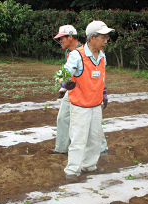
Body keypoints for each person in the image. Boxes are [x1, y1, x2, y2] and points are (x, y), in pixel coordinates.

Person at [57, 21, 114, 182]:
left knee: (94, 139)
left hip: (95, 105)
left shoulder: (102, 56)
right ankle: (72, 171)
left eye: (107, 37)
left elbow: (101, 76)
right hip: (80, 105)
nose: (106, 40)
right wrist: (64, 83)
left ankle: (89, 166)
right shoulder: (77, 55)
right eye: (103, 37)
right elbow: (63, 73)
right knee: (78, 139)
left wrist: (103, 92)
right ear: (92, 37)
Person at [48, 24, 108, 157]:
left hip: (87, 92)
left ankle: (102, 147)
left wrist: (102, 91)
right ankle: (61, 147)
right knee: (63, 118)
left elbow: (99, 73)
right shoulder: (69, 53)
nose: (60, 41)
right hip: (74, 91)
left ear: (70, 37)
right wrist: (63, 86)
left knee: (93, 118)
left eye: (62, 38)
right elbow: (66, 74)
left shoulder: (88, 50)